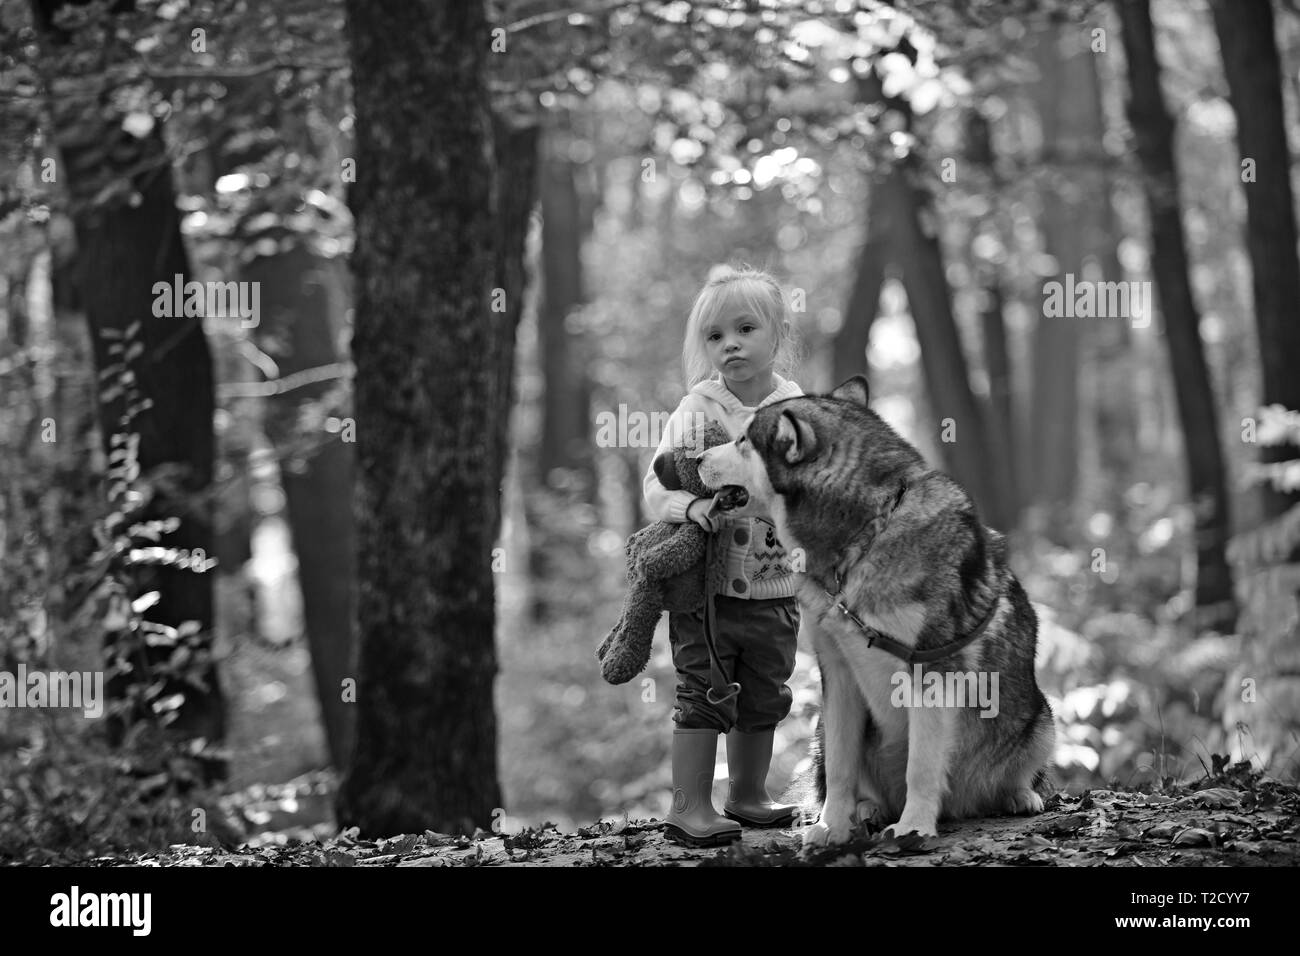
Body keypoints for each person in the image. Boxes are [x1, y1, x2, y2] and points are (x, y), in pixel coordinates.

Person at [643, 264, 805, 847]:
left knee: (765, 689)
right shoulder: (699, 408)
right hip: (707, 592)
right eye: (715, 336)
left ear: (778, 335)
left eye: (745, 329)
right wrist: (691, 508)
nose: (730, 344)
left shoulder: (796, 408)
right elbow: (656, 483)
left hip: (776, 586)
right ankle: (688, 806)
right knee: (704, 689)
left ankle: (748, 795)